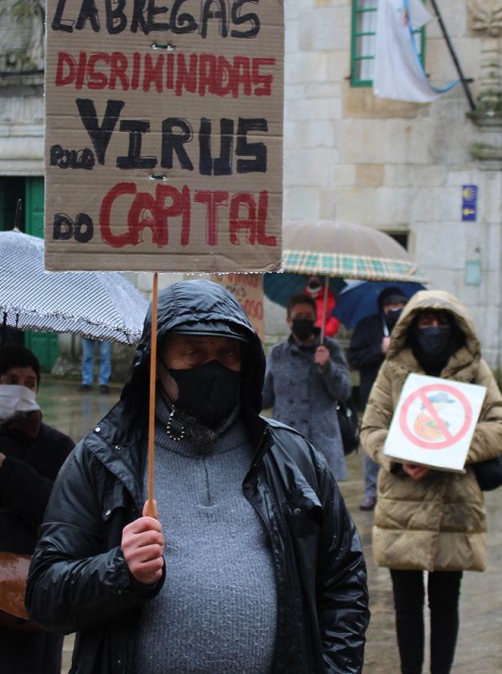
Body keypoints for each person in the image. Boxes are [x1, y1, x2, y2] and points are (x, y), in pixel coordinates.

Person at [26, 280, 369, 673]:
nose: (214, 366)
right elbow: (45, 594)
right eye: (193, 353)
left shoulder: (291, 459)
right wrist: (121, 570)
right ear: (155, 363)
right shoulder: (102, 459)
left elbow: (344, 581)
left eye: (227, 354)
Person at [360, 290, 502, 674]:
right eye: (425, 322)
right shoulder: (392, 370)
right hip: (402, 504)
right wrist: (398, 459)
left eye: (441, 322)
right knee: (406, 605)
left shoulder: (475, 369)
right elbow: (371, 428)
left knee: (447, 603)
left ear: (456, 326)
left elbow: (501, 425)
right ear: (411, 327)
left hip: (455, 502)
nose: (433, 329)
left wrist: (454, 449)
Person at [0, 345, 74, 674]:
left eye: (29, 383)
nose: (21, 388)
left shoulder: (57, 446)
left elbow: (60, 509)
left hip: (26, 599)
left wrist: (6, 469)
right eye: (11, 380)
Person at [263, 293, 354, 480]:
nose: (303, 321)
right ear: (289, 320)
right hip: (286, 442)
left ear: (315, 318)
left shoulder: (331, 348)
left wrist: (327, 366)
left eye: (308, 317)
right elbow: (265, 398)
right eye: (298, 317)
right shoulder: (277, 353)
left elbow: (344, 392)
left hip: (322, 444)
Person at [346, 286, 409, 511]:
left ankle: (399, 490)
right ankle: (371, 492)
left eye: (401, 306)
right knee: (373, 443)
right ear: (383, 308)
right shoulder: (368, 326)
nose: (397, 310)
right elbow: (354, 358)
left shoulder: (410, 327)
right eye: (392, 306)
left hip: (405, 398)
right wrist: (379, 350)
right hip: (373, 396)